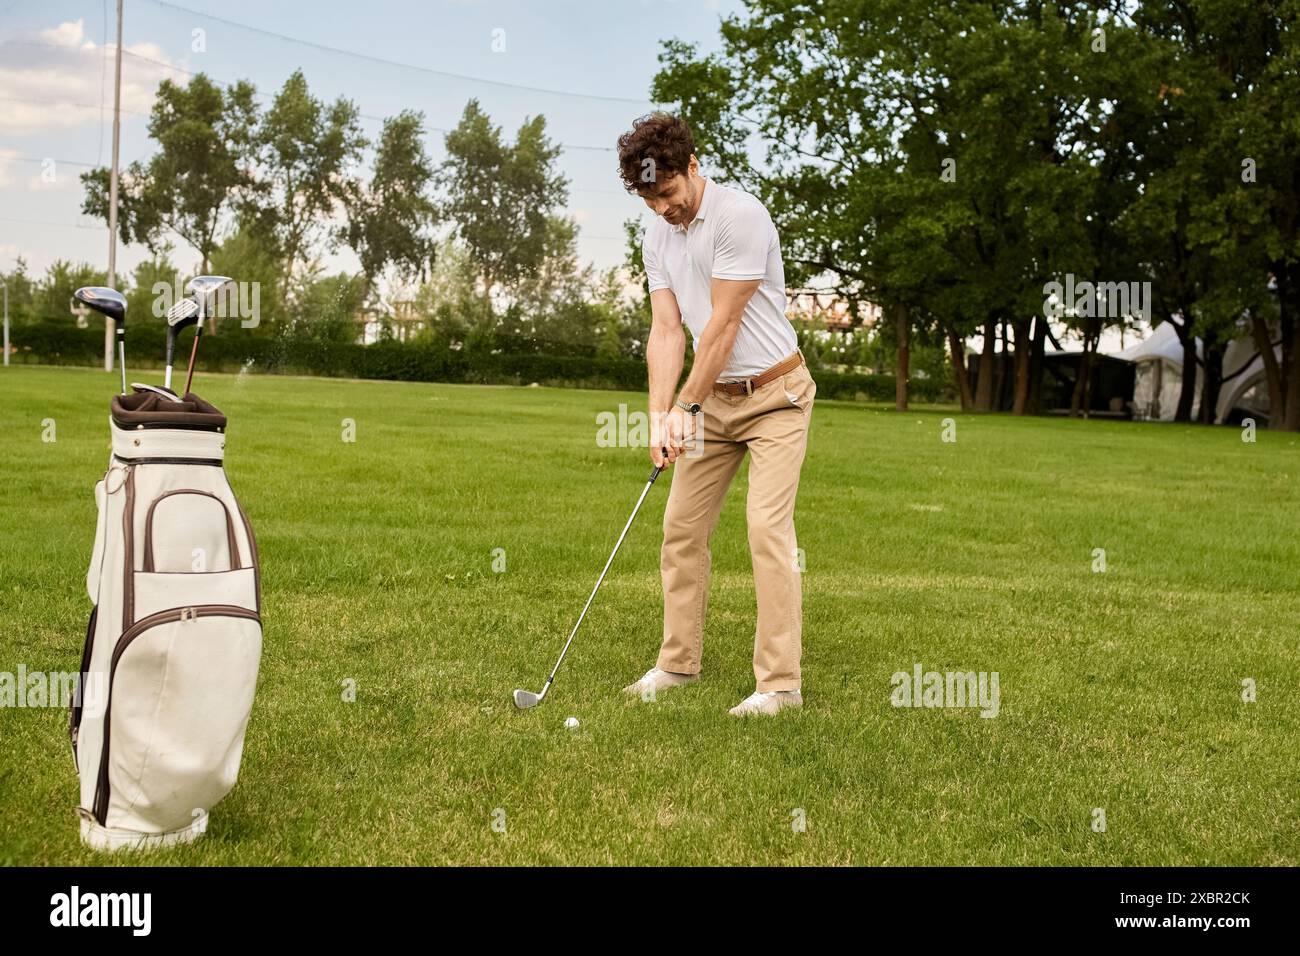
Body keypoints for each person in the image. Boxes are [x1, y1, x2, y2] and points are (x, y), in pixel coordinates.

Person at [615, 112, 816, 716]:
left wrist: (684, 406)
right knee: (681, 530)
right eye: (650, 200)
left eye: (669, 194)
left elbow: (723, 327)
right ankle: (677, 665)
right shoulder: (657, 236)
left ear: (692, 168)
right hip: (712, 404)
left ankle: (780, 686)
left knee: (765, 530)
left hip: (775, 396)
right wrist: (659, 417)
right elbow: (667, 331)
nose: (664, 209)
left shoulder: (739, 216)